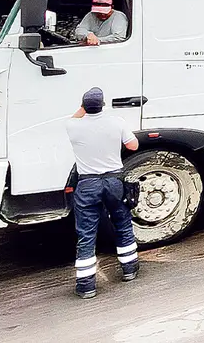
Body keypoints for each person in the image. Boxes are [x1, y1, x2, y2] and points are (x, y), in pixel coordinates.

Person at [66, 87, 140, 299]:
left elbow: (76, 116)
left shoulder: (72, 126)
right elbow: (133, 146)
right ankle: (129, 270)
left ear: (83, 106)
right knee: (123, 223)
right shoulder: (117, 122)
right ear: (103, 104)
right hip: (114, 181)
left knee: (86, 233)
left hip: (87, 184)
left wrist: (83, 108)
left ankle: (86, 285)